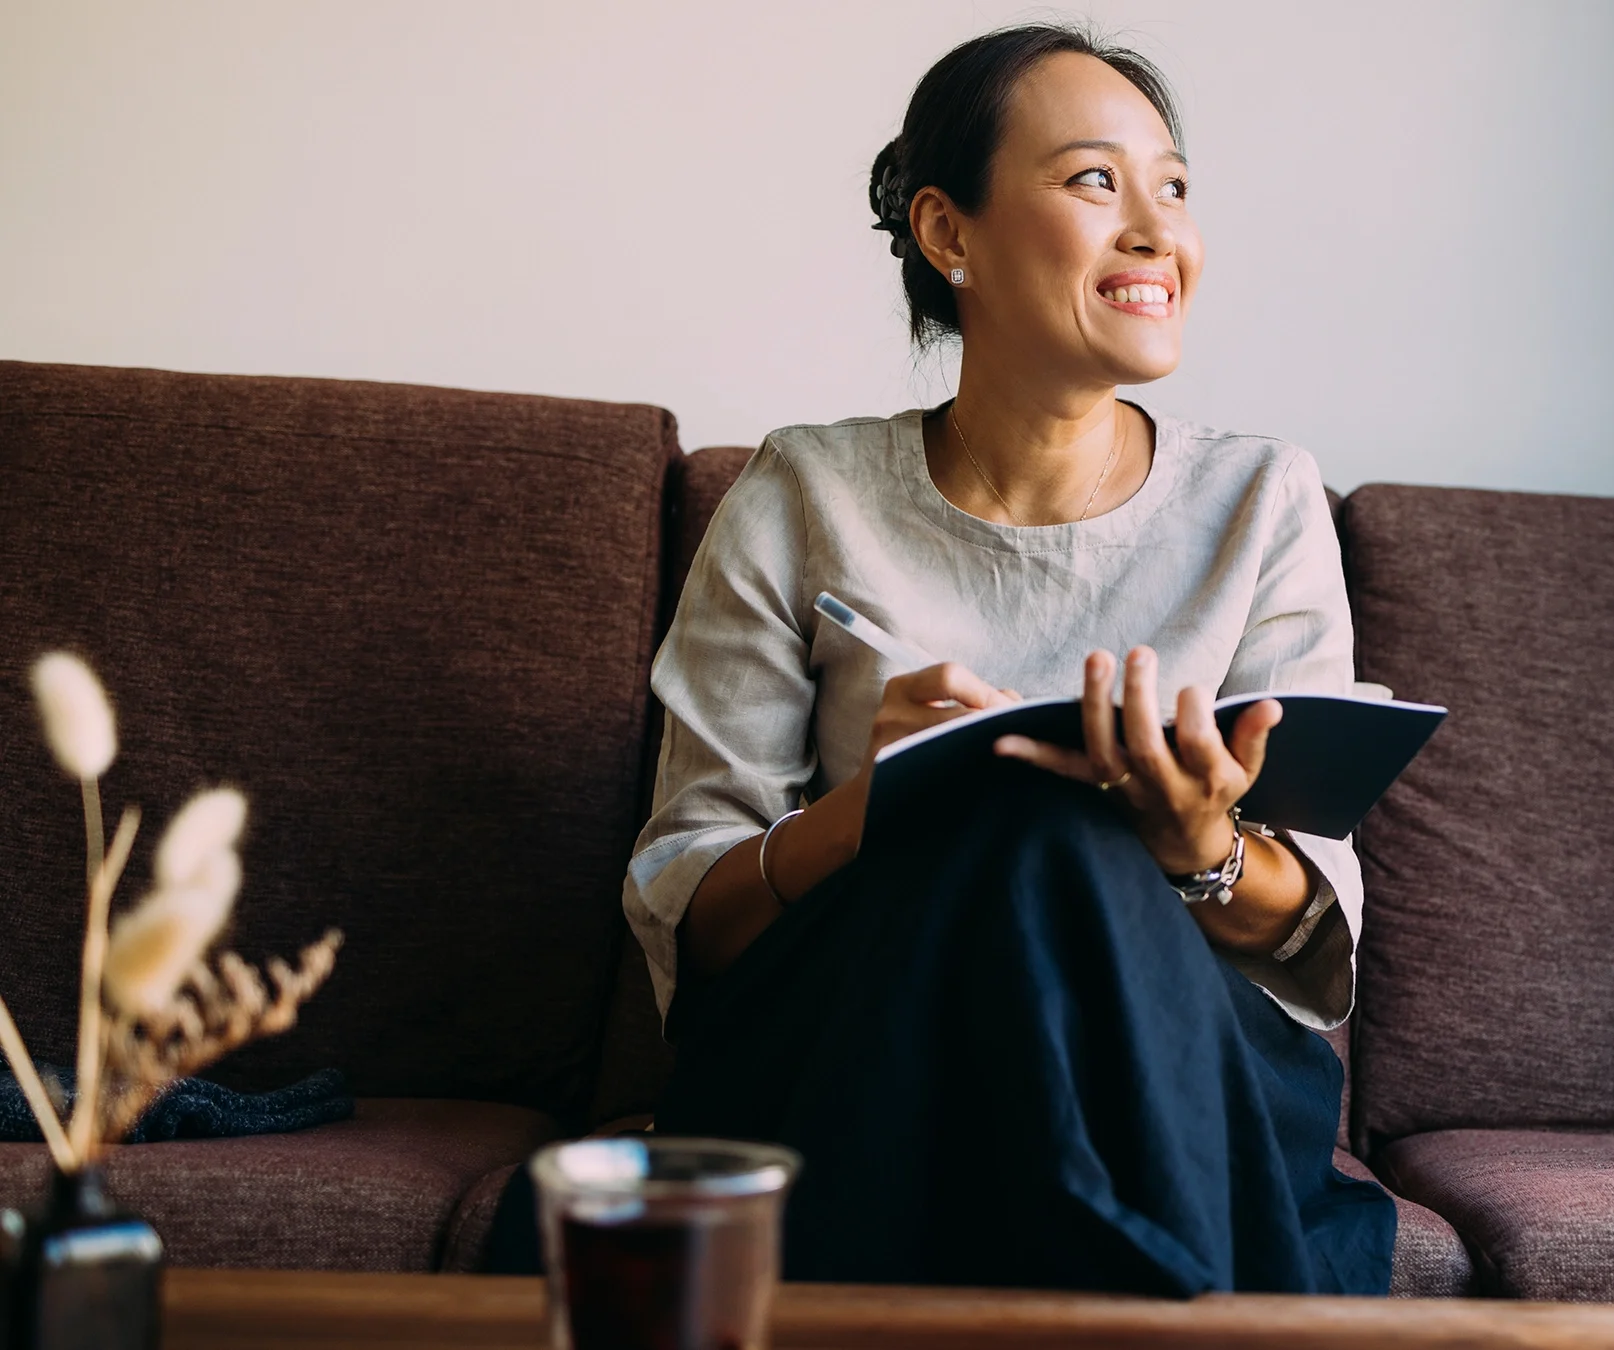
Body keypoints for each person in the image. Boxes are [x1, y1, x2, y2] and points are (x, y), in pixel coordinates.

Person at [492, 22, 1394, 1296]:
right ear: (946, 232)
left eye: (1174, 187)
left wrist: (1198, 847)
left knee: (1052, 842)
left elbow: (1316, 940)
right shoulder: (805, 492)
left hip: (1175, 1072)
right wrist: (871, 814)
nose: (1156, 230)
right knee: (1007, 839)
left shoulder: (1262, 501)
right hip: (866, 1036)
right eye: (1096, 181)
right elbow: (688, 920)